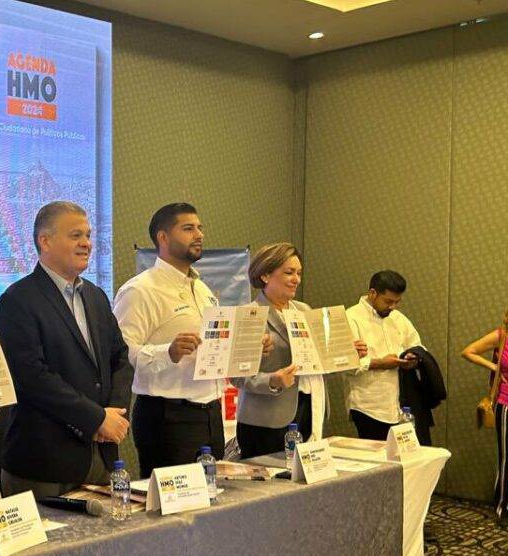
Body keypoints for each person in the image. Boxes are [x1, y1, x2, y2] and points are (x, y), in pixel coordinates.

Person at [114, 203, 271, 476]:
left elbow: (213, 352)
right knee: (174, 501)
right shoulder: (140, 290)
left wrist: (249, 348)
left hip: (210, 413)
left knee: (212, 496)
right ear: (163, 237)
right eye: (188, 228)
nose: (199, 235)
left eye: (200, 228)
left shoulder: (202, 289)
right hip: (167, 417)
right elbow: (121, 356)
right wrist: (168, 352)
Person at [0, 201, 133, 498]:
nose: (86, 244)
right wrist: (96, 419)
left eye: (88, 235)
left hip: (101, 456)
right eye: (75, 235)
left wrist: (115, 415)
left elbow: (120, 358)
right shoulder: (17, 300)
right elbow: (32, 377)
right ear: (45, 241)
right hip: (44, 464)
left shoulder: (96, 296)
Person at [232, 243, 367, 458]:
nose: (296, 279)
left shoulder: (305, 311)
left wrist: (346, 354)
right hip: (267, 420)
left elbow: (318, 364)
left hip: (309, 409)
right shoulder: (249, 315)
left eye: (299, 273)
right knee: (272, 479)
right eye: (289, 272)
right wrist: (272, 381)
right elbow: (237, 377)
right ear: (265, 275)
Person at [345, 270, 424, 441]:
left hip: (399, 404)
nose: (393, 307)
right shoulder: (351, 318)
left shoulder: (398, 318)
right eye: (388, 301)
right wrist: (380, 363)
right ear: (372, 293)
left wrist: (412, 358)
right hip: (367, 405)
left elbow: (418, 346)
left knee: (402, 456)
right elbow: (345, 366)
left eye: (397, 302)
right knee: (376, 457)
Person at [460, 308, 508, 520]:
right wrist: (495, 367)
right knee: (506, 458)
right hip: (505, 403)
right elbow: (468, 351)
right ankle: (502, 506)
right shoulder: (501, 335)